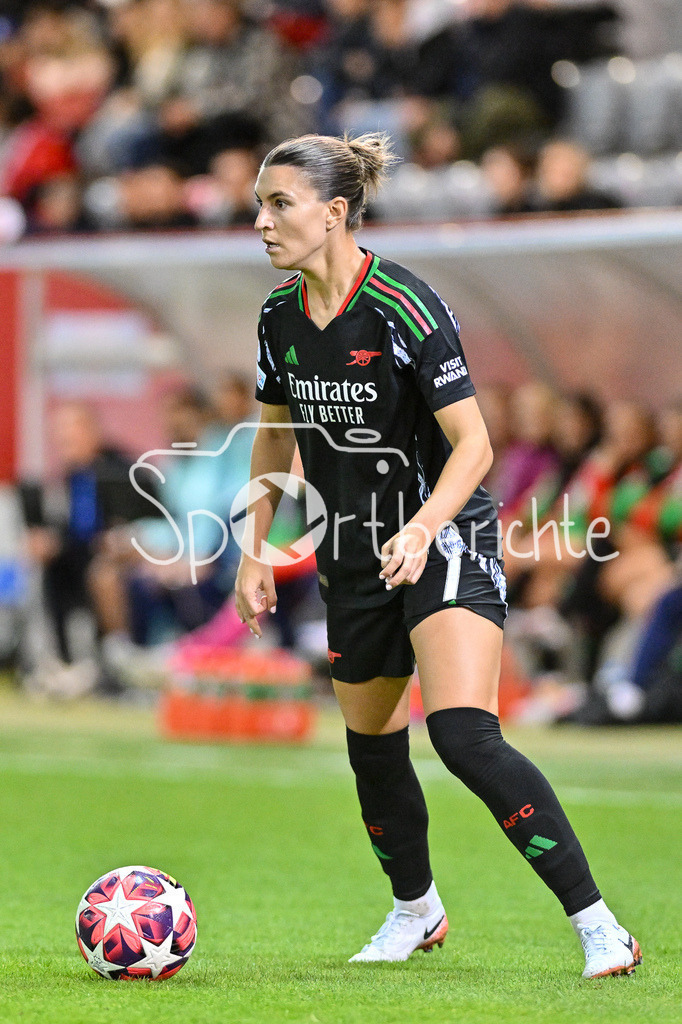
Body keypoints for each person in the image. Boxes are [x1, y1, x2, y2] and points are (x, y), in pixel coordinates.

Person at [234, 131, 642, 978]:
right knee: (373, 748)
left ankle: (600, 924)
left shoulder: (404, 305)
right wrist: (253, 550)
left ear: (335, 211)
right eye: (260, 205)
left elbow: (474, 444)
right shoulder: (278, 315)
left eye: (280, 204)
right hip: (353, 555)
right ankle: (415, 911)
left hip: (444, 534)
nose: (263, 222)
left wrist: (422, 528)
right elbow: (273, 439)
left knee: (462, 733)